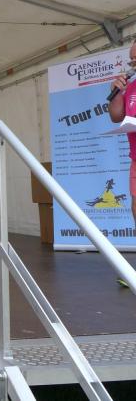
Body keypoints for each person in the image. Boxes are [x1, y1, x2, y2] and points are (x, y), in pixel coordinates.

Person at [107, 40, 136, 288]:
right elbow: (117, 117)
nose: (132, 64)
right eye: (131, 60)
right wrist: (116, 93)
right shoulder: (131, 85)